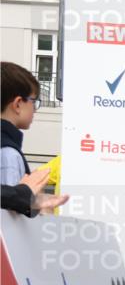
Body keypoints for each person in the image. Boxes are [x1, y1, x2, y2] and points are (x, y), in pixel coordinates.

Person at [1, 62, 67, 215]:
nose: (35, 109)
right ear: (18, 104)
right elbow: (9, 217)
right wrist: (25, 196)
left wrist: (31, 200)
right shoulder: (8, 153)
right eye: (34, 101)